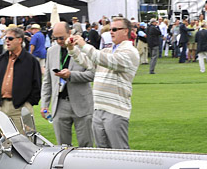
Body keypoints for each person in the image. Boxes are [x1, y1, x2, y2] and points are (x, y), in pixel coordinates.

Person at [68, 16, 139, 149]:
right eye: (110, 29)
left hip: (115, 110)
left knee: (120, 154)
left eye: (115, 29)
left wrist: (83, 45)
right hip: (99, 108)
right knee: (102, 154)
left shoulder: (131, 52)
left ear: (125, 31)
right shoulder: (107, 51)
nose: (111, 32)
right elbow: (87, 62)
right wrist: (72, 48)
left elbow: (107, 61)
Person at [42, 21, 94, 147]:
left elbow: (92, 75)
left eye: (62, 38)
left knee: (86, 146)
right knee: (62, 147)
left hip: (81, 104)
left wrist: (71, 75)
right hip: (59, 105)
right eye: (55, 38)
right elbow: (47, 81)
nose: (59, 41)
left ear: (69, 33)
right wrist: (44, 105)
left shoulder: (83, 49)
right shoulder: (51, 51)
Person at [0, 26, 41, 135]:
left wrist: (28, 103)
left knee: (24, 142)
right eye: (6, 38)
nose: (7, 41)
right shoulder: (1, 59)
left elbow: (37, 84)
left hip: (22, 107)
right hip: (3, 107)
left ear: (20, 40)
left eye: (10, 38)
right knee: (5, 141)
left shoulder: (31, 61)